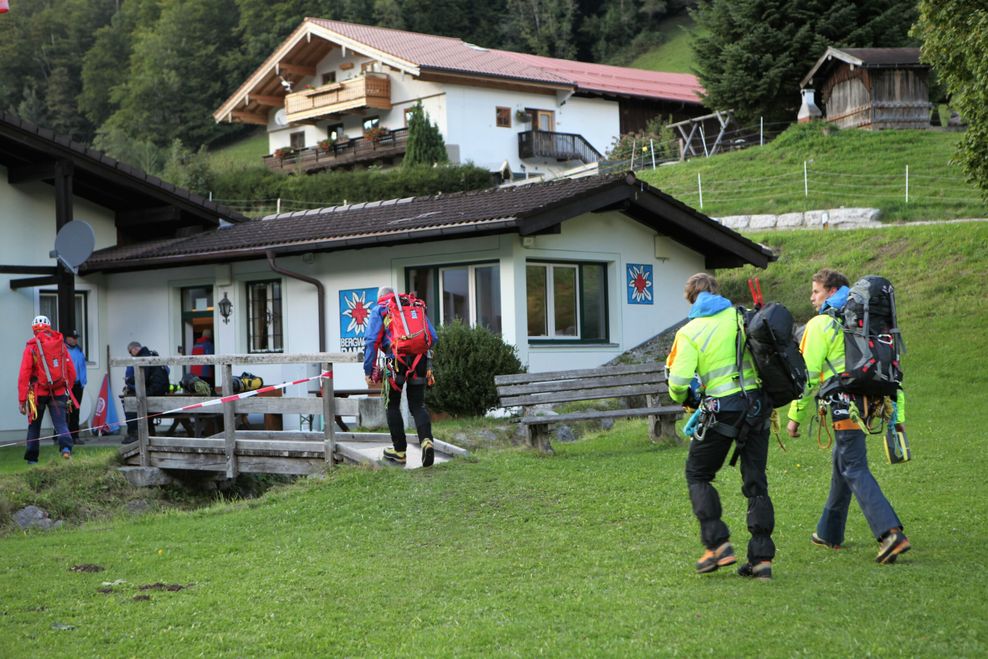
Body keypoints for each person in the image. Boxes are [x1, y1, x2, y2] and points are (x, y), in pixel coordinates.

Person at [786, 268, 910, 564]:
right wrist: (898, 417)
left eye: (815, 291)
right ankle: (829, 532)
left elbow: (809, 377)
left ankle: (890, 534)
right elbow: (893, 372)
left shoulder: (822, 324)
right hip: (872, 403)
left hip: (845, 405)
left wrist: (795, 416)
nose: (811, 298)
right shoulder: (867, 324)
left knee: (853, 466)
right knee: (843, 463)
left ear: (831, 291)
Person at [666, 273, 775, 579]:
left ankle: (718, 544)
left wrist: (685, 396)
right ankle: (762, 559)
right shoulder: (741, 318)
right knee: (756, 482)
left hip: (721, 411)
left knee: (698, 473)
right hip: (756, 407)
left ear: (692, 298)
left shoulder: (689, 332)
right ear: (717, 292)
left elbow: (677, 384)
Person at [363, 287, 438, 467]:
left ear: (380, 297)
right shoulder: (413, 306)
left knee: (392, 404)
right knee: (417, 404)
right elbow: (433, 337)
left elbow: (371, 341)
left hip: (395, 362)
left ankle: (399, 451)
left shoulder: (380, 309)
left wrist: (368, 369)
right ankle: (427, 441)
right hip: (419, 360)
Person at [18, 315, 76, 463]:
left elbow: (24, 374)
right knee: (61, 423)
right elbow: (71, 371)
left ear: (34, 329)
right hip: (59, 391)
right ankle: (66, 449)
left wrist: (22, 399)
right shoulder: (60, 344)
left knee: (34, 426)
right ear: (49, 327)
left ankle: (32, 459)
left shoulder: (31, 346)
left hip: (38, 392)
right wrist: (67, 387)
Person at [122, 341, 169, 442]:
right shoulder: (153, 354)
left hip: (155, 393)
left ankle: (134, 434)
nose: (131, 355)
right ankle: (150, 432)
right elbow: (167, 371)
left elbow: (143, 378)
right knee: (139, 401)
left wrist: (129, 381)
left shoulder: (142, 358)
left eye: (131, 352)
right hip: (161, 392)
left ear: (135, 349)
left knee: (130, 404)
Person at [65, 329, 87, 446]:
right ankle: (62, 437)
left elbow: (82, 367)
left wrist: (83, 382)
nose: (75, 340)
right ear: (67, 338)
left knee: (76, 411)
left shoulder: (79, 350)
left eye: (76, 338)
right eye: (73, 338)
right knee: (66, 411)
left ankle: (75, 436)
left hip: (78, 385)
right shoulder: (62, 350)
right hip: (67, 386)